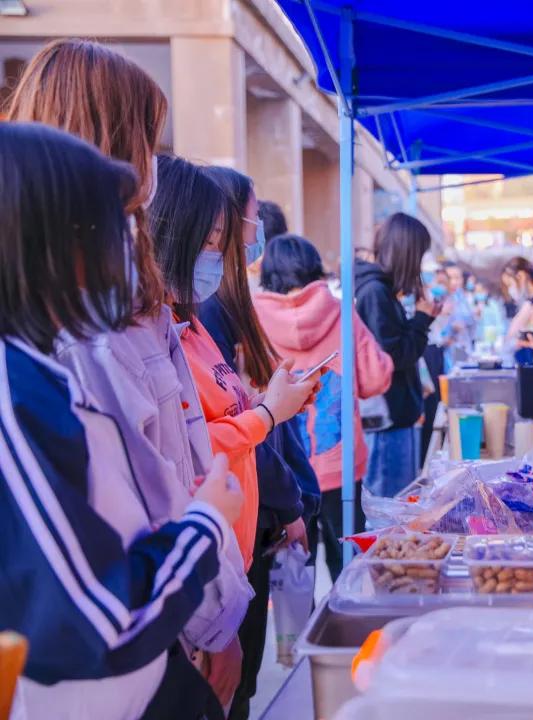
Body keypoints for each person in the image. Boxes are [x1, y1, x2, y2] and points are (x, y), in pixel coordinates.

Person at [6, 37, 253, 704]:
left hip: (159, 631)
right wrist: (209, 599)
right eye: (148, 138)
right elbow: (96, 608)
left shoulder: (103, 321)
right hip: (131, 660)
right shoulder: (53, 355)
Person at [149, 155, 319, 573]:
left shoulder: (189, 322)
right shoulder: (163, 333)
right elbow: (192, 443)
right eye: (211, 242)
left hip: (236, 542)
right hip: (208, 553)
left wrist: (270, 401)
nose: (220, 255)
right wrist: (266, 414)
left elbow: (226, 409)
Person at [198, 167, 322, 720]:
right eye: (250, 218)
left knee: (241, 684)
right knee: (229, 691)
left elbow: (251, 414)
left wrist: (276, 406)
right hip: (233, 527)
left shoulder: (222, 311)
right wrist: (289, 499)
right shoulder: (205, 315)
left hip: (252, 521)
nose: (256, 230)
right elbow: (229, 429)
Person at [255, 233, 394, 580]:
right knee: (347, 567)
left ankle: (302, 634)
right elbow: (377, 379)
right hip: (341, 465)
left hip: (283, 468)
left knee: (294, 574)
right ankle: (347, 632)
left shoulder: (253, 319)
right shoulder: (340, 312)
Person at [354, 212, 436, 497]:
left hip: (393, 418)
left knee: (395, 508)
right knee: (389, 516)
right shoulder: (375, 292)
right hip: (386, 421)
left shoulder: (379, 291)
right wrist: (422, 320)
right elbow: (394, 356)